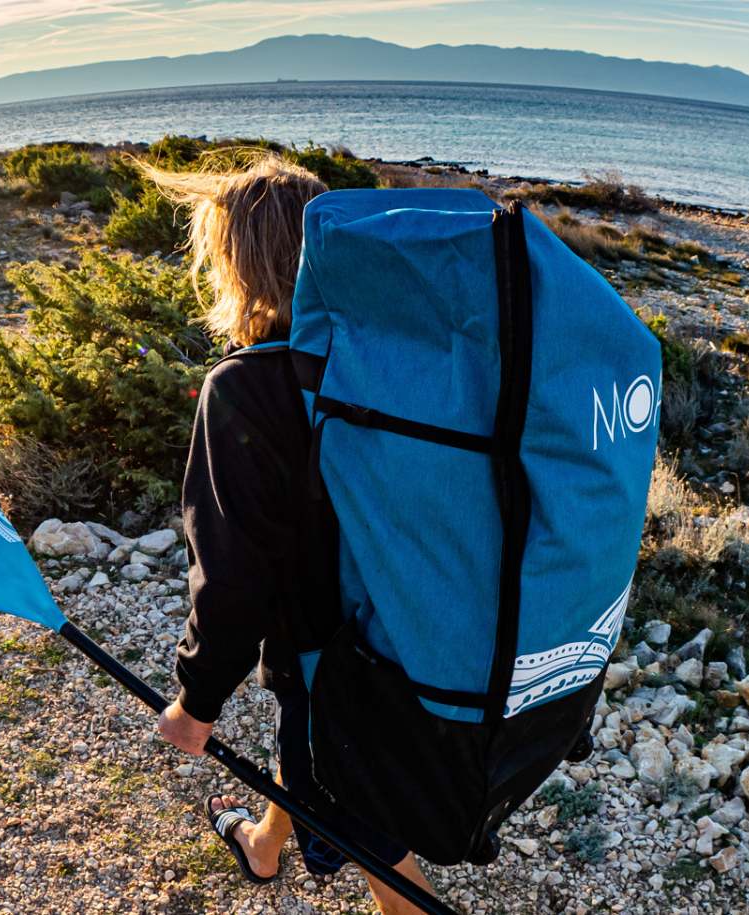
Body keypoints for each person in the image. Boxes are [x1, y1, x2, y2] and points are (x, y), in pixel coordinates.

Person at [147, 155, 438, 915]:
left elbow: (234, 574)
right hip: (408, 631)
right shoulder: (380, 366)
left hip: (328, 662)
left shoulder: (242, 387)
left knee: (371, 828)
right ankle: (264, 846)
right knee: (310, 759)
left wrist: (196, 701)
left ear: (236, 265)